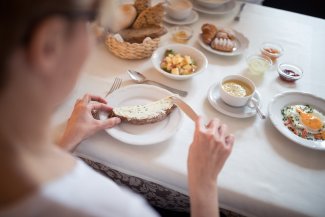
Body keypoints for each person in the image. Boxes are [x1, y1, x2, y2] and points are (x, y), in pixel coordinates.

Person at [0, 0, 234, 216]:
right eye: (95, 27)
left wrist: (66, 143)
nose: (93, 44)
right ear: (48, 45)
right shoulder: (112, 208)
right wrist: (205, 186)